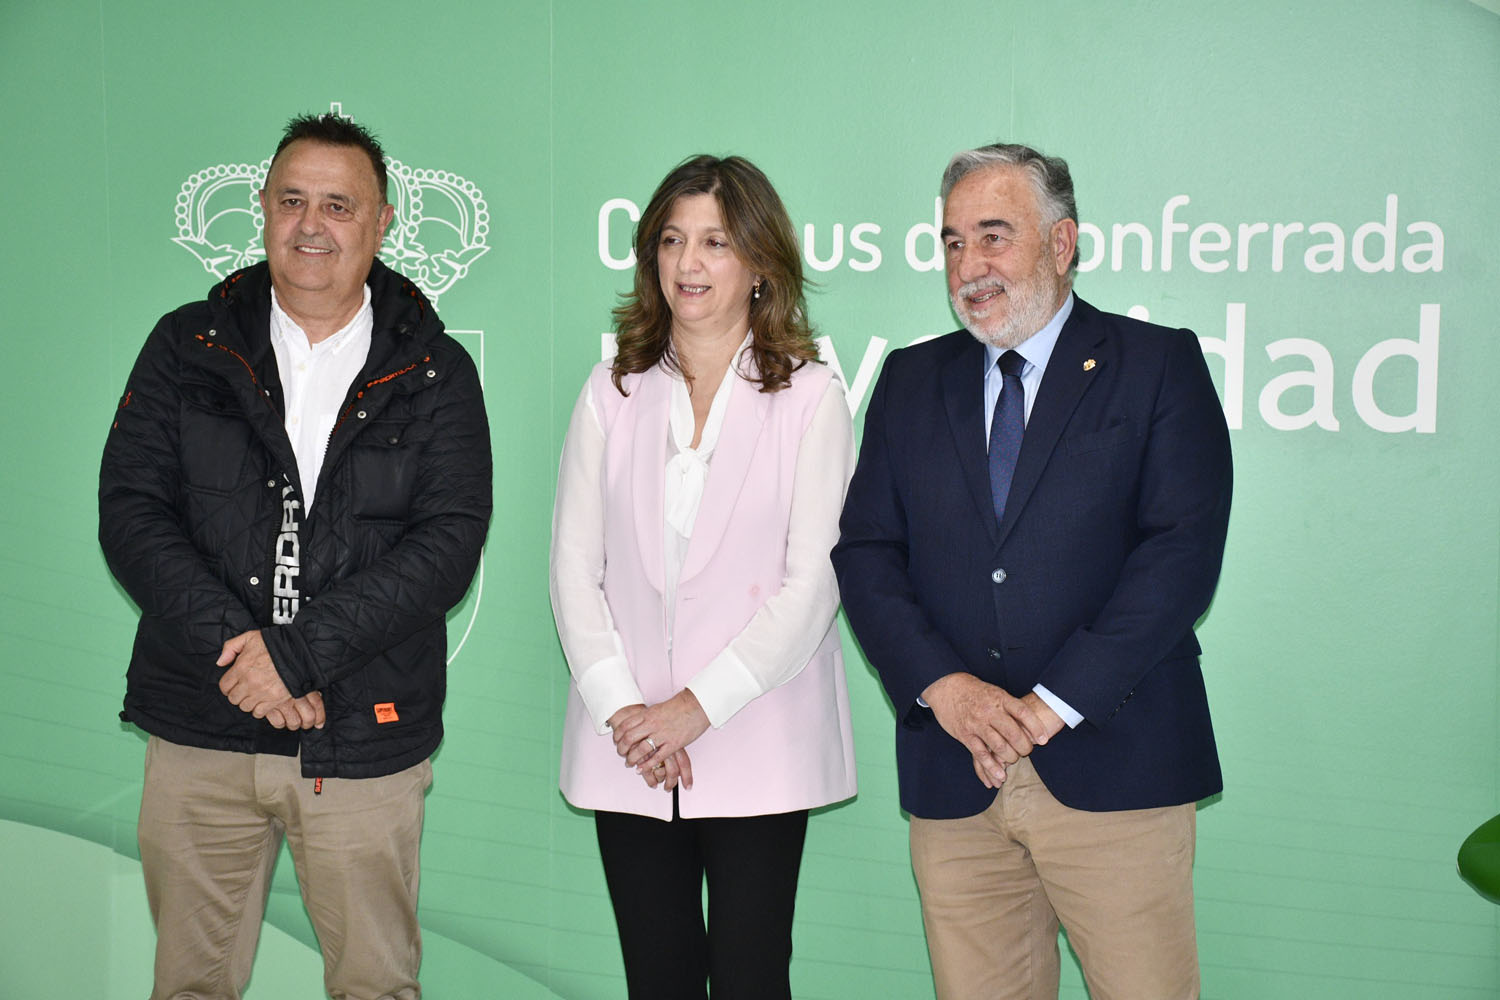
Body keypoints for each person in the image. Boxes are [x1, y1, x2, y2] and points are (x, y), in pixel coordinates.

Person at [98, 113, 492, 1000]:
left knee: (374, 988)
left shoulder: (434, 369)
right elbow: (130, 511)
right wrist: (245, 652)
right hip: (201, 719)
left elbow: (447, 545)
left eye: (338, 205)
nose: (311, 224)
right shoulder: (186, 345)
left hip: (360, 740)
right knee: (189, 988)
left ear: (382, 222)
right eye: (291, 200)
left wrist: (296, 656)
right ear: (263, 209)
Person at [832, 143, 1232, 1000]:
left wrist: (1051, 705)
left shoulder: (1157, 365)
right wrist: (947, 689)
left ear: (1062, 243)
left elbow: (1180, 554)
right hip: (957, 771)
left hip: (1114, 766)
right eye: (950, 242)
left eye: (993, 236)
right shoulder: (907, 381)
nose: (968, 266)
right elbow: (866, 554)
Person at [550, 154, 857, 1000]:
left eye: (716, 242)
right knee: (658, 978)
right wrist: (626, 710)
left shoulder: (812, 396)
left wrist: (695, 710)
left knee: (755, 979)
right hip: (630, 746)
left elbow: (814, 585)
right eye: (673, 241)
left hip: (757, 734)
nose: (690, 263)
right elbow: (573, 569)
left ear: (759, 264)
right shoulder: (611, 388)